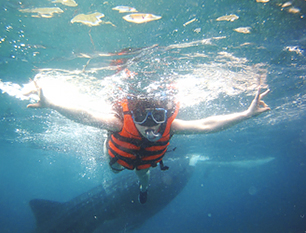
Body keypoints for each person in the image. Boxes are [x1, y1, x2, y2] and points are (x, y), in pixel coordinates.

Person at [27, 83, 270, 204]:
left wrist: (245, 115)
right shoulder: (117, 123)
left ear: (166, 116)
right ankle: (108, 148)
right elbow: (85, 115)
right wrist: (53, 104)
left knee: (144, 176)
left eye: (158, 117)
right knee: (114, 165)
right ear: (132, 116)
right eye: (142, 118)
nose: (151, 125)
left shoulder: (170, 127)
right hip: (118, 155)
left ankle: (143, 190)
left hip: (145, 161)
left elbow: (207, 124)